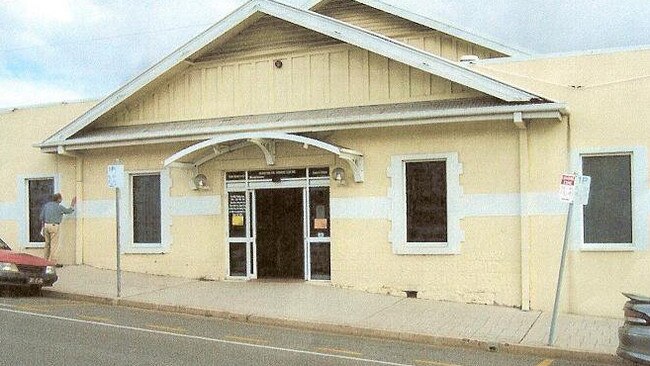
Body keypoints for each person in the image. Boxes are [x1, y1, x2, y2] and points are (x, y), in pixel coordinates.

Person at [40, 193, 76, 262]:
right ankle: (53, 262)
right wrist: (72, 204)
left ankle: (45, 261)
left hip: (46, 226)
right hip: (54, 226)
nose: (62, 199)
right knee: (54, 245)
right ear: (58, 199)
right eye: (61, 198)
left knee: (47, 244)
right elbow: (68, 211)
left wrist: (43, 227)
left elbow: (42, 217)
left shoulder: (46, 206)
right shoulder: (59, 207)